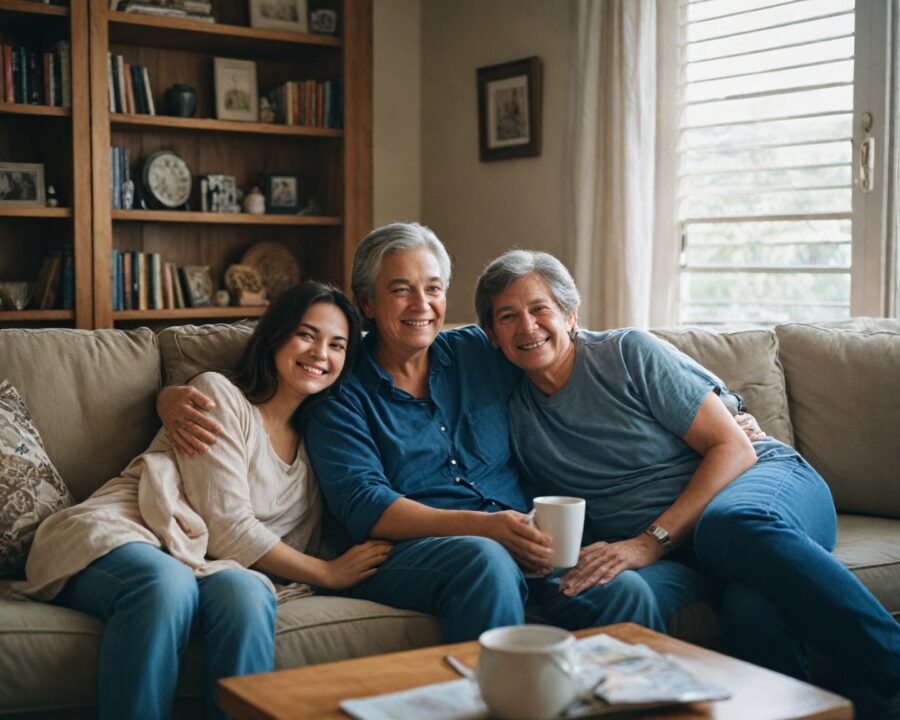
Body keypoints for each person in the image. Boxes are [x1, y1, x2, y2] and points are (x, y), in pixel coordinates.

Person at [473, 249, 900, 720]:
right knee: (745, 605)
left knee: (729, 525)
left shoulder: (625, 353)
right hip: (686, 554)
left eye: (540, 309)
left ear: (570, 315)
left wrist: (647, 542)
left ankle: (892, 665)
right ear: (491, 335)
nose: (527, 327)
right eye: (507, 317)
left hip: (763, 484)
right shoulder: (508, 413)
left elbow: (735, 447)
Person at [18, 281, 391, 720]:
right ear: (275, 336)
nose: (320, 353)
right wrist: (327, 572)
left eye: (337, 345)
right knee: (166, 585)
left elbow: (275, 544)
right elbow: (230, 527)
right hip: (124, 531)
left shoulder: (318, 445)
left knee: (248, 595)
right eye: (306, 335)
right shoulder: (218, 395)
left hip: (208, 562)